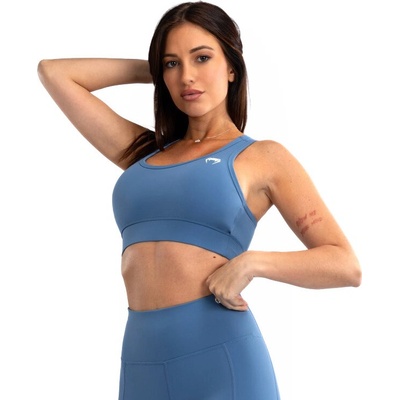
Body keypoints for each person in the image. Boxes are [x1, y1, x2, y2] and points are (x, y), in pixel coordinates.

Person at [37, 1, 362, 399]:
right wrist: (156, 71)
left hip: (221, 358)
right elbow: (55, 73)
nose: (187, 76)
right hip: (140, 362)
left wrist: (253, 263)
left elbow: (344, 264)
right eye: (173, 63)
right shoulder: (144, 154)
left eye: (202, 58)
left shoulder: (262, 157)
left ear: (232, 67)